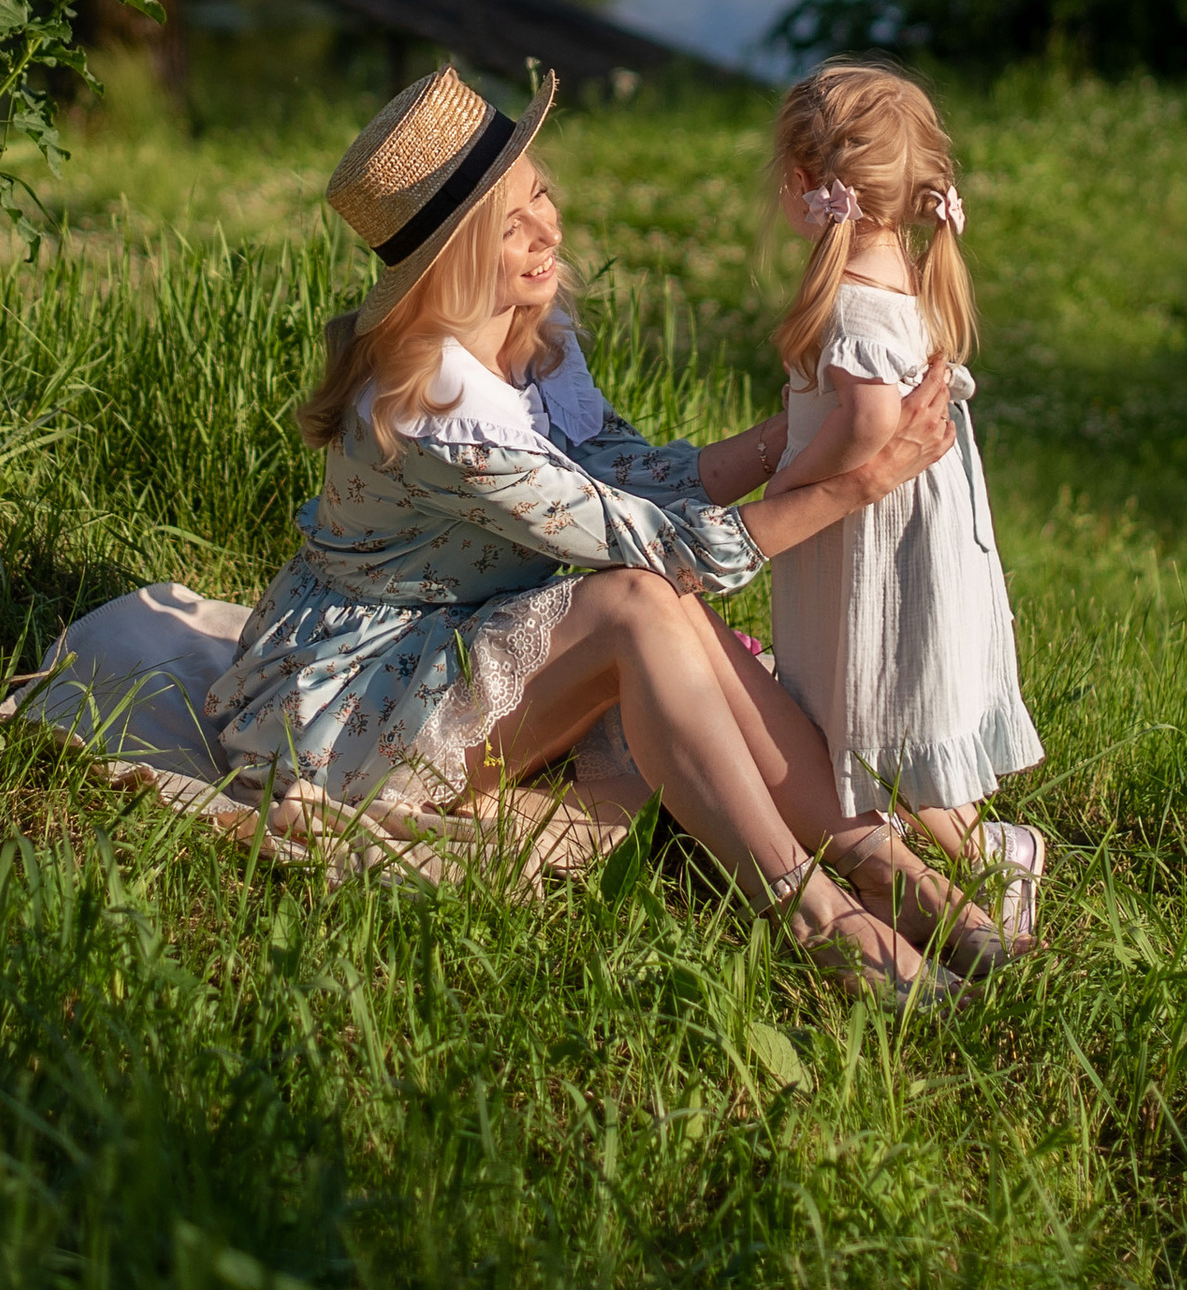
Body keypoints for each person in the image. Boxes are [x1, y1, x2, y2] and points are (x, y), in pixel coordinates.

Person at [204, 63, 1006, 995]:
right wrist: (859, 478)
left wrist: (808, 429)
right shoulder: (431, 414)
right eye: (513, 224)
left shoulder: (531, 341)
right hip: (354, 703)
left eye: (541, 193)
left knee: (662, 608)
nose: (549, 227)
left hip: (457, 636)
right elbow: (658, 546)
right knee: (642, 600)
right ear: (457, 255)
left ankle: (885, 868)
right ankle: (816, 917)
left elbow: (628, 475)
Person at [761, 61, 1047, 944]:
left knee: (866, 709)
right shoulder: (910, 281)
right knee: (901, 712)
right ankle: (986, 849)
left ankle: (990, 862)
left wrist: (793, 484)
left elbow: (870, 422)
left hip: (866, 542)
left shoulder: (850, 304)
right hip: (919, 537)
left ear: (810, 186)